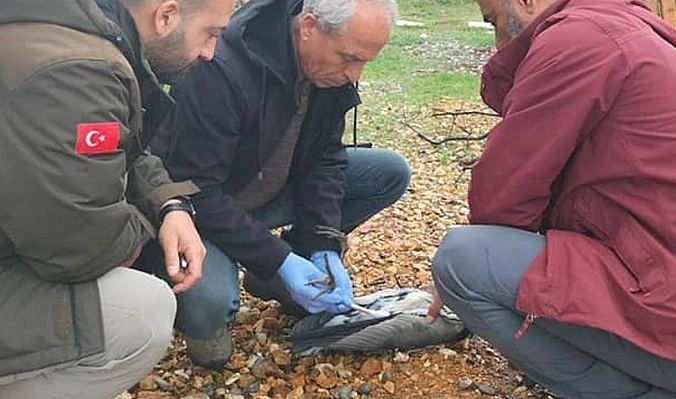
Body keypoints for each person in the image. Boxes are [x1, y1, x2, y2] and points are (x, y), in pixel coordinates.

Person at [426, 0, 676, 397]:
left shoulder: (578, 39)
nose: (496, 43)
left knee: (462, 260)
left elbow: (501, 197)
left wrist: (455, 283)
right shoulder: (627, 31)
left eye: (493, 21)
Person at [146, 0, 410, 369]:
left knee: (389, 172)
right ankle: (206, 329)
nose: (355, 74)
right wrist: (278, 258)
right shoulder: (223, 64)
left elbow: (325, 159)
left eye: (366, 61)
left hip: (267, 188)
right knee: (211, 302)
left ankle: (276, 276)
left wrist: (321, 243)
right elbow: (196, 189)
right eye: (349, 58)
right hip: (198, 212)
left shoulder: (327, 68)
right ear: (309, 27)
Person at [0, 0, 234, 397]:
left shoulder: (75, 30)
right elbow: (78, 248)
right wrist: (148, 228)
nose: (211, 53)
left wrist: (170, 205)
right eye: (211, 34)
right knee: (143, 312)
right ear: (166, 15)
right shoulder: (79, 70)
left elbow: (127, 149)